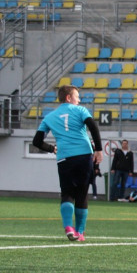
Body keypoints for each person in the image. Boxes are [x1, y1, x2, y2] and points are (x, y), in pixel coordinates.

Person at [32, 85, 103, 241]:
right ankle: (80, 232)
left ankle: (68, 227)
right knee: (82, 194)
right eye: (77, 96)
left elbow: (36, 141)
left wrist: (52, 148)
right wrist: (98, 149)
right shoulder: (80, 111)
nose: (79, 99)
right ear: (69, 98)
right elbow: (93, 126)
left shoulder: (49, 117)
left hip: (64, 158)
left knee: (67, 193)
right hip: (84, 155)